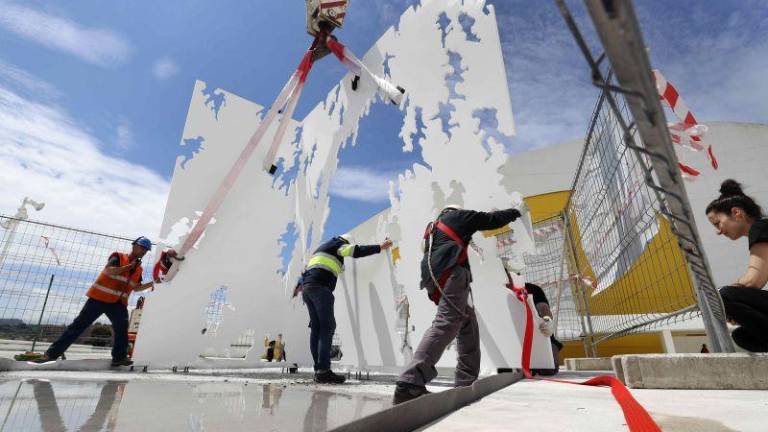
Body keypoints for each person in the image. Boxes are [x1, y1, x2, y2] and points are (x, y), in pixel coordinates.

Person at [393, 204, 523, 404]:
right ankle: (410, 382)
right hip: (451, 273)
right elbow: (490, 220)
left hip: (434, 277)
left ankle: (466, 380)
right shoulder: (459, 217)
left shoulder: (432, 230)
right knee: (447, 322)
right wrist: (515, 212)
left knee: (467, 326)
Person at [34, 237, 156, 366]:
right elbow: (108, 271)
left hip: (118, 303)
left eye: (146, 250)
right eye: (142, 247)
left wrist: (152, 283)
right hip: (99, 299)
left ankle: (119, 358)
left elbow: (136, 287)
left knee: (122, 329)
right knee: (78, 326)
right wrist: (127, 267)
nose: (143, 251)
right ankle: (51, 354)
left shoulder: (138, 269)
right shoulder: (118, 258)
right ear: (134, 246)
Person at [299, 234, 393, 383]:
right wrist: (380, 247)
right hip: (321, 290)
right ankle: (323, 371)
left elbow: (307, 271)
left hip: (307, 289)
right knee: (327, 327)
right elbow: (355, 251)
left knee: (316, 329)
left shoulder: (321, 249)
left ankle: (319, 370)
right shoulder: (339, 244)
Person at [705, 179, 768, 352]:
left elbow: (753, 281)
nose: (719, 231)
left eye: (717, 223)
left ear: (736, 212)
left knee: (725, 296)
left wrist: (719, 300)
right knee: (742, 336)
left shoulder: (760, 227)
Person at [523, 282, 562, 376]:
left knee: (547, 368)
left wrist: (548, 321)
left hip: (539, 338)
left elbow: (543, 307)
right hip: (516, 342)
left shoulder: (532, 289)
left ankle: (551, 346)